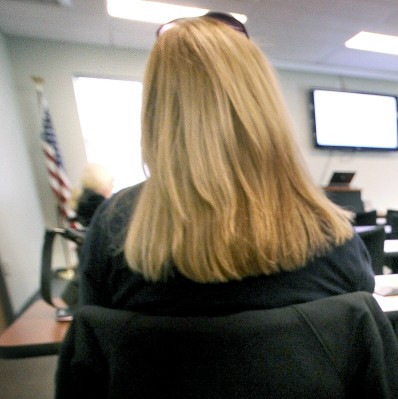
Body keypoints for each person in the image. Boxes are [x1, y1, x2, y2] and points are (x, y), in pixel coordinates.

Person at [78, 13, 374, 314]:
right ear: (266, 107)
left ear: (158, 112)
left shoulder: (113, 228)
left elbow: (92, 339)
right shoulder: (332, 235)